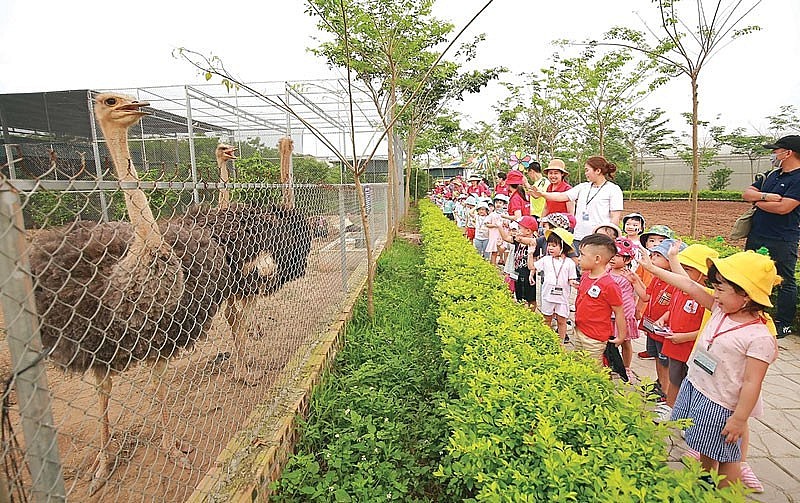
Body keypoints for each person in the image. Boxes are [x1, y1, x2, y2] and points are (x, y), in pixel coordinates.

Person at [638, 249, 780, 490]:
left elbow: (752, 383)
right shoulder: (720, 309)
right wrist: (653, 270)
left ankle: (726, 494)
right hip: (698, 387)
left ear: (745, 294)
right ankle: (703, 482)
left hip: (722, 403)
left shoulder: (759, 337)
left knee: (727, 457)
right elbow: (689, 285)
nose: (715, 294)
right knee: (706, 445)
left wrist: (739, 419)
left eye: (721, 289)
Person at [647, 243, 718, 422]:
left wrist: (684, 337)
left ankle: (686, 414)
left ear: (703, 274)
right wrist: (664, 317)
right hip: (675, 344)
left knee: (691, 382)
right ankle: (671, 406)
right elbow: (673, 308)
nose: (682, 273)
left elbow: (707, 328)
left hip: (690, 347)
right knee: (675, 377)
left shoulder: (706, 297)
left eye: (688, 269)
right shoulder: (681, 290)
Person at [742, 135, 800, 338]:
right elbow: (747, 194)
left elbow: (785, 207)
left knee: (784, 280)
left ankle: (783, 323)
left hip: (783, 238)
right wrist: (765, 197)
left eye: (776, 150)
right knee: (749, 273)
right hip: (757, 234)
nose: (773, 154)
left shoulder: (798, 178)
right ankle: (749, 314)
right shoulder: (771, 175)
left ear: (788, 153)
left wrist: (757, 202)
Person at [628, 239, 686, 402]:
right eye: (652, 254)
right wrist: (635, 281)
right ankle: (660, 383)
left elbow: (674, 308)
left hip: (664, 330)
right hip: (653, 328)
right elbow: (646, 296)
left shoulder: (677, 284)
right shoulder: (657, 278)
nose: (652, 258)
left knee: (665, 361)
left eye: (657, 255)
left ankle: (666, 392)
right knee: (657, 358)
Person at [530, 156, 624, 243]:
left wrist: (609, 238)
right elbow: (562, 196)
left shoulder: (613, 189)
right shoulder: (583, 187)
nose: (585, 173)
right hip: (578, 236)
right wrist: (541, 194)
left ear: (598, 171)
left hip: (598, 239)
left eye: (587, 170)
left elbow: (615, 216)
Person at [572, 233, 626, 362]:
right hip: (580, 330)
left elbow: (619, 311)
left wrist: (621, 336)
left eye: (582, 255)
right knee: (578, 365)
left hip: (595, 338)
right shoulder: (585, 276)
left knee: (593, 371)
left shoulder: (609, 285)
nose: (579, 258)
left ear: (597, 259)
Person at [532, 228, 578, 343]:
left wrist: (574, 283)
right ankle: (546, 341)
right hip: (548, 295)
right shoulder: (546, 260)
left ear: (563, 246)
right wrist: (530, 253)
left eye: (554, 245)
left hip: (562, 297)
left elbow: (571, 278)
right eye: (549, 245)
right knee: (546, 319)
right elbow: (532, 266)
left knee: (562, 320)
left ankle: (561, 342)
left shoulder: (569, 263)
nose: (550, 248)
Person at [608, 237, 641, 383]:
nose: (613, 258)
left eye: (617, 256)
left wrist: (635, 281)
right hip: (609, 314)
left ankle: (627, 367)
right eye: (612, 255)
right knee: (609, 341)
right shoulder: (606, 272)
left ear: (627, 260)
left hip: (625, 314)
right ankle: (611, 365)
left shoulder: (629, 275)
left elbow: (644, 295)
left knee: (626, 342)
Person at [499, 216, 539, 310]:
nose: (518, 230)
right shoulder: (517, 240)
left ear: (528, 231)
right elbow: (505, 237)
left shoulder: (533, 242)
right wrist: (499, 226)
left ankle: (532, 315)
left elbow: (534, 258)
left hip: (528, 274)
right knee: (519, 296)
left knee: (531, 298)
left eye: (520, 228)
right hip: (517, 272)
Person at [486, 194, 508, 265]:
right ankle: (493, 266)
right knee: (494, 251)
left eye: (500, 203)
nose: (498, 204)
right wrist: (495, 225)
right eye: (496, 202)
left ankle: (505, 268)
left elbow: (508, 225)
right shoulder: (492, 214)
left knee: (505, 250)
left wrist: (506, 224)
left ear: (504, 204)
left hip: (503, 236)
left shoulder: (506, 214)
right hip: (494, 235)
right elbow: (487, 224)